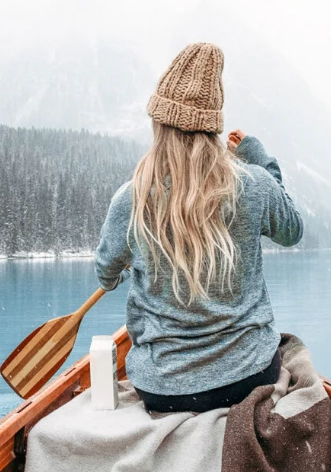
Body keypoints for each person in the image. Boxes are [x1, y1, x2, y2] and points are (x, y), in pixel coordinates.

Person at [95, 43, 303, 413]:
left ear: (160, 125)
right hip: (249, 376)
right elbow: (292, 231)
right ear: (211, 130)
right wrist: (261, 162)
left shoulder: (132, 199)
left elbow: (105, 273)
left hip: (163, 388)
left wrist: (126, 268)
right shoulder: (252, 184)